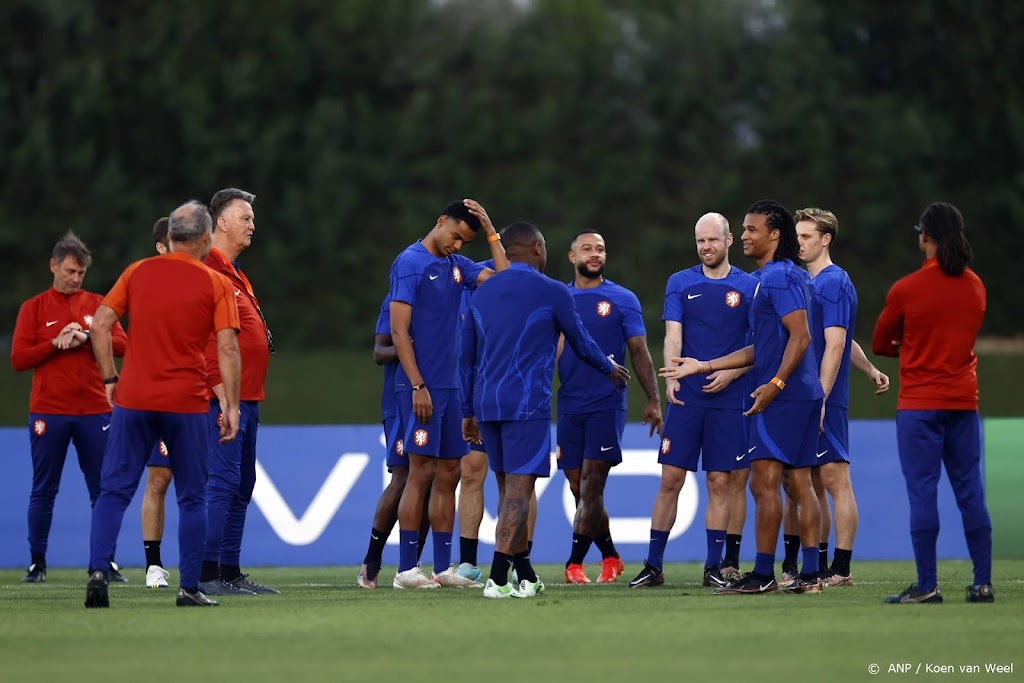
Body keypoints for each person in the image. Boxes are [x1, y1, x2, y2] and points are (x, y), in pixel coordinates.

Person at [661, 199, 824, 595]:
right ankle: (812, 575)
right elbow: (765, 346)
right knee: (799, 484)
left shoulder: (775, 278)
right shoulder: (789, 275)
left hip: (781, 396)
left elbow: (800, 336)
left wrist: (776, 384)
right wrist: (704, 366)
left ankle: (763, 573)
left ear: (774, 235)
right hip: (800, 394)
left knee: (763, 483)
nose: (746, 236)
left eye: (752, 230)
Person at [460, 222, 630, 598]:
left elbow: (466, 358)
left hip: (488, 404)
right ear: (537, 248)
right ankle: (498, 577)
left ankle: (525, 573)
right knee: (520, 491)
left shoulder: (481, 295)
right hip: (526, 404)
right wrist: (609, 367)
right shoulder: (552, 291)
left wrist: (467, 410)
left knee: (507, 489)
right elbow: (582, 343)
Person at [84, 200, 241, 608]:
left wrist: (109, 378)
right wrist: (233, 404)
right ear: (206, 239)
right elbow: (227, 346)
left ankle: (99, 573)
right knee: (192, 496)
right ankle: (189, 587)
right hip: (185, 402)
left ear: (170, 237)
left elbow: (100, 323)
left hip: (134, 398)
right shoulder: (216, 282)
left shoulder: (136, 272)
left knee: (113, 490)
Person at [873, 202, 993, 605]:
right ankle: (983, 584)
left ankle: (927, 586)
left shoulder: (907, 289)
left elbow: (879, 343)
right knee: (971, 492)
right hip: (963, 401)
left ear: (924, 237)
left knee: (923, 494)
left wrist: (906, 346)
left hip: (920, 404)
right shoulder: (975, 286)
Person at [628, 213, 757, 589]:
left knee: (720, 480)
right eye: (700, 241)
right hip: (687, 399)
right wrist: (672, 374)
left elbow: (758, 346)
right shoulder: (680, 282)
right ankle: (653, 565)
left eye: (713, 240)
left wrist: (732, 373)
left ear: (729, 240)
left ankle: (713, 567)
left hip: (730, 397)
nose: (706, 247)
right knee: (671, 478)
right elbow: (673, 334)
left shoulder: (750, 286)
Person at [389, 199, 509, 589]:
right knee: (419, 471)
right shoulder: (410, 263)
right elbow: (398, 331)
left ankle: (441, 569)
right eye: (455, 235)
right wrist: (418, 385)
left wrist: (491, 231)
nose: (457, 245)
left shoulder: (458, 267)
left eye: (465, 241)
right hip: (421, 388)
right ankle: (407, 569)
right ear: (440, 221)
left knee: (451, 473)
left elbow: (506, 280)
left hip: (454, 388)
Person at [11, 232, 128, 583]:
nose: (76, 279)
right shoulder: (34, 308)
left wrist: (86, 338)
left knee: (103, 489)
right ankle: (37, 562)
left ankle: (104, 563)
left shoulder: (97, 303)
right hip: (50, 410)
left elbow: (123, 343)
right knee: (44, 488)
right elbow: (18, 359)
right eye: (70, 271)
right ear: (53, 266)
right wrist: (54, 342)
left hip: (95, 409)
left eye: (81, 273)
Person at [782, 207, 890, 588]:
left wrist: (822, 398)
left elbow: (836, 343)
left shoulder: (835, 281)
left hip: (823, 398)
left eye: (807, 236)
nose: (800, 243)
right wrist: (869, 368)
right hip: (801, 396)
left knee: (833, 478)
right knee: (804, 483)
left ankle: (841, 568)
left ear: (825, 239)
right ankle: (814, 564)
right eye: (797, 237)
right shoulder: (802, 281)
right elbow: (841, 337)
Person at [558, 230, 662, 584]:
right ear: (572, 256)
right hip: (569, 404)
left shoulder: (622, 298)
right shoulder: (560, 298)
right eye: (586, 248)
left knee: (590, 486)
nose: (595, 254)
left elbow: (639, 351)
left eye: (600, 249)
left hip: (607, 402)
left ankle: (573, 563)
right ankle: (611, 555)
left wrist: (653, 399)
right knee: (576, 485)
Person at [198, 188, 277, 597]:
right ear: (222, 222)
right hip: (223, 398)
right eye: (244, 217)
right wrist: (221, 395)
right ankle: (206, 572)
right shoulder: (208, 271)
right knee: (222, 481)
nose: (252, 224)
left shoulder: (234, 272)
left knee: (242, 483)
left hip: (247, 396)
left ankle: (228, 570)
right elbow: (204, 339)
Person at [356, 294, 430, 589]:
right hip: (401, 401)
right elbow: (379, 352)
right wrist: (411, 348)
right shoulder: (398, 299)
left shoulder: (452, 293)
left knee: (431, 478)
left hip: (440, 398)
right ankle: (371, 563)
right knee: (404, 476)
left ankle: (411, 565)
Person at [141, 216, 173, 589]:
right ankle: (153, 565)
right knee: (159, 478)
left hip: (200, 396)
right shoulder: (145, 281)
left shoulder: (205, 279)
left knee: (205, 485)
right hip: (161, 397)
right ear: (161, 247)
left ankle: (207, 566)